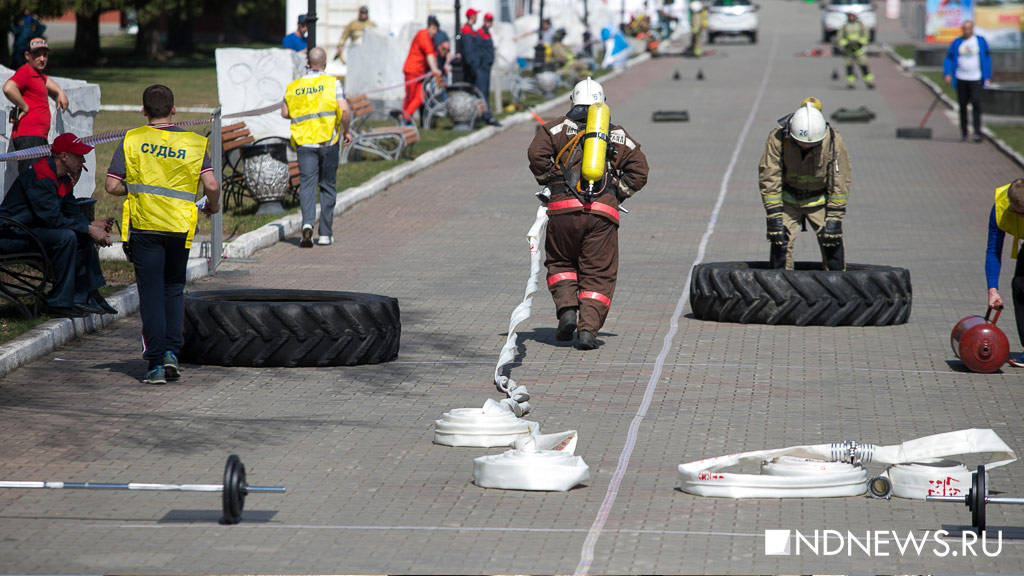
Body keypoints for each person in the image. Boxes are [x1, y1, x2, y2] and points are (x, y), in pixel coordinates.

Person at [104, 84, 221, 385]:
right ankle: (172, 352)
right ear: (174, 109)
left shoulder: (132, 139)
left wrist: (136, 190)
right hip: (180, 229)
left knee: (151, 293)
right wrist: (213, 207)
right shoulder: (194, 144)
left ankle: (156, 362)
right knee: (172, 288)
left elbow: (111, 186)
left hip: (144, 227)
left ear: (143, 111)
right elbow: (211, 186)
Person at [527, 78, 649, 350]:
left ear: (572, 101)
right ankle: (588, 330)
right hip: (602, 214)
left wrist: (549, 180)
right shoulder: (616, 134)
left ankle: (568, 310)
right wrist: (619, 192)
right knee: (599, 274)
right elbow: (640, 170)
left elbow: (537, 155)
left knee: (560, 262)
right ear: (602, 104)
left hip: (562, 212)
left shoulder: (555, 128)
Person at [0, 133, 114, 319]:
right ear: (64, 156)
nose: (83, 160)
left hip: (30, 231)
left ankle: (84, 296)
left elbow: (72, 213)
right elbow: (52, 220)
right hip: (10, 235)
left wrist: (91, 227)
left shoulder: (61, 178)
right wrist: (89, 228)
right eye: (79, 156)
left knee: (78, 235)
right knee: (66, 237)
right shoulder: (41, 176)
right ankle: (59, 303)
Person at [759, 97, 851, 271]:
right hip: (788, 199)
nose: (807, 147)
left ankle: (838, 287)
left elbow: (840, 181)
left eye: (813, 144)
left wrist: (834, 218)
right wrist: (774, 216)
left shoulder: (833, 141)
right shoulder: (779, 138)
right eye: (802, 143)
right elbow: (769, 176)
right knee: (780, 242)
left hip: (819, 201)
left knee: (832, 242)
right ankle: (781, 288)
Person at [282, 47, 353, 249]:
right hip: (328, 142)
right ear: (324, 64)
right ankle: (325, 234)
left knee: (306, 184)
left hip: (305, 142)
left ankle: (306, 223)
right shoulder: (333, 84)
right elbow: (344, 110)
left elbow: (285, 112)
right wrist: (346, 130)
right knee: (327, 185)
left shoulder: (294, 86)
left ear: (308, 63)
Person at [3, 37, 69, 172]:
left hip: (36, 137)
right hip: (29, 137)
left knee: (38, 180)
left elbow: (46, 81)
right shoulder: (26, 71)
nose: (42, 59)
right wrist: (24, 106)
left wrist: (59, 91)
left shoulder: (37, 75)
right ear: (27, 56)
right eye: (37, 55)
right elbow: (8, 88)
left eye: (45, 55)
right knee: (31, 181)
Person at [985, 178, 1024, 368]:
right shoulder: (1000, 209)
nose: (1019, 218)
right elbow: (993, 250)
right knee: (1020, 286)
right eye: (1015, 213)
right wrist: (992, 289)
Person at [944, 20, 991, 143]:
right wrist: (947, 73)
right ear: (962, 29)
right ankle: (964, 132)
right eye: (965, 29)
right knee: (963, 106)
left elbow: (987, 58)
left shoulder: (980, 41)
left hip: (976, 78)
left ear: (972, 29)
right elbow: (949, 57)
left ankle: (977, 132)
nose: (967, 31)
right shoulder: (957, 42)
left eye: (969, 28)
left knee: (976, 103)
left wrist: (987, 75)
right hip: (961, 77)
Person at [399, 15, 444, 126]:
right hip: (412, 71)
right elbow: (429, 54)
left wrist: (437, 68)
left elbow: (433, 55)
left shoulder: (431, 39)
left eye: (436, 31)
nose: (434, 32)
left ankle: (405, 117)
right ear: (429, 27)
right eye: (433, 29)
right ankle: (405, 119)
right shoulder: (422, 34)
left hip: (420, 73)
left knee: (420, 97)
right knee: (410, 97)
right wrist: (435, 70)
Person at [470, 14, 501, 127]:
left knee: (485, 92)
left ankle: (485, 115)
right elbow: (478, 51)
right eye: (488, 20)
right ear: (484, 20)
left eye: (491, 20)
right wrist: (482, 64)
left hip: (486, 67)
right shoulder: (480, 33)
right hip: (481, 68)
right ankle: (486, 116)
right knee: (482, 92)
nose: (489, 22)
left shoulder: (487, 33)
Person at [838, 13, 874, 89]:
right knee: (849, 66)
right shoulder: (845, 26)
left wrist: (861, 42)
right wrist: (845, 44)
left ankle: (869, 82)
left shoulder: (860, 25)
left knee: (863, 65)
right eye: (850, 16)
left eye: (852, 16)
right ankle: (850, 82)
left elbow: (866, 35)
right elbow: (840, 37)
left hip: (859, 49)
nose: (851, 17)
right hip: (849, 50)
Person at [459, 7, 479, 85]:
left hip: (470, 64)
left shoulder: (470, 29)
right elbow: (468, 49)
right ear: (472, 16)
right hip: (469, 66)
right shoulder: (466, 29)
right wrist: (472, 66)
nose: (477, 17)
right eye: (476, 15)